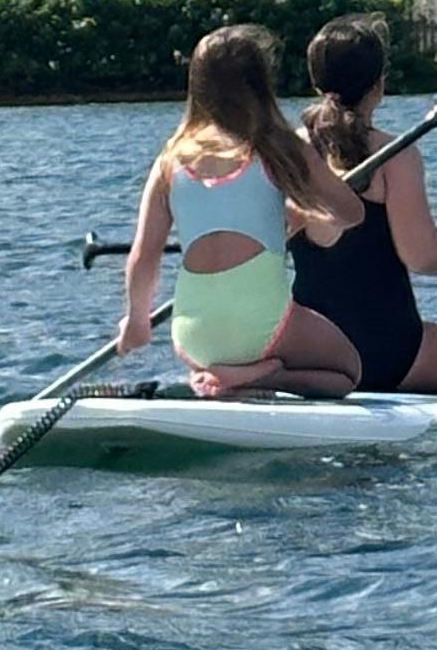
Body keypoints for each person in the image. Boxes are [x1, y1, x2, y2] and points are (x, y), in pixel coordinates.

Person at [116, 23, 366, 399]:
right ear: (261, 83)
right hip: (261, 324)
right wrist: (303, 212)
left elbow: (143, 256)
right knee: (345, 371)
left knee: (219, 337)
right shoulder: (278, 147)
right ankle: (262, 377)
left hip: (193, 335)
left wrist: (136, 322)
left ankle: (222, 374)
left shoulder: (172, 158)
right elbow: (351, 213)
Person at [291, 15, 437, 395]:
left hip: (309, 354)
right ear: (378, 86)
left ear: (315, 82)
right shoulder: (395, 155)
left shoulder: (286, 151)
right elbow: (423, 256)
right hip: (388, 355)